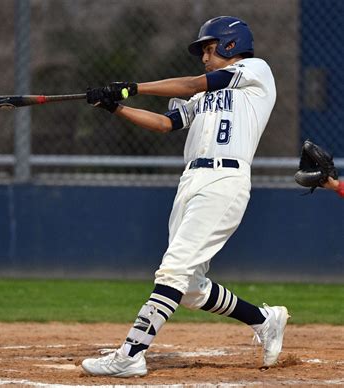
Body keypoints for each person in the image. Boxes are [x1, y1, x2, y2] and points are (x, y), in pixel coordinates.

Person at [82, 16, 289, 377]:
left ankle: (131, 354)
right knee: (189, 287)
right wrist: (114, 106)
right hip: (191, 180)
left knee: (173, 270)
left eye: (209, 49)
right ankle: (264, 320)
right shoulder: (203, 96)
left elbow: (196, 81)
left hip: (225, 179)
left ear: (230, 45)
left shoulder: (256, 71)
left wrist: (132, 87)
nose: (204, 57)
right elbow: (166, 124)